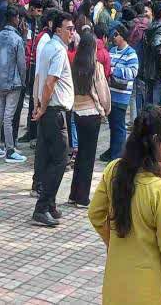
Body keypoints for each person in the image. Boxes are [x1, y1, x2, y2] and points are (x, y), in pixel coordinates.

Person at [87, 106, 161, 304]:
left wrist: (114, 241)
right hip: (149, 290)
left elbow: (95, 214)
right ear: (154, 140)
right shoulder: (160, 189)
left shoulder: (113, 170)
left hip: (115, 285)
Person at [31, 10, 74, 227]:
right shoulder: (57, 50)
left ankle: (50, 204)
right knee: (60, 159)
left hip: (49, 109)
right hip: (54, 111)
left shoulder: (48, 47)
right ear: (58, 29)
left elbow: (39, 77)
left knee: (49, 157)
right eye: (69, 29)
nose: (72, 33)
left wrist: (39, 105)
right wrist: (43, 106)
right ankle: (42, 206)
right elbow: (49, 82)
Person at [68, 25, 110, 207]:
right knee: (88, 156)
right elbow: (103, 93)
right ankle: (83, 198)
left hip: (77, 112)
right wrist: (106, 108)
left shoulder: (74, 65)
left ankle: (73, 194)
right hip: (92, 114)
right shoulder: (96, 67)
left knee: (80, 154)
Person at [0, 5, 28, 163]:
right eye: (18, 17)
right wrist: (24, 81)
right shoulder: (17, 39)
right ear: (14, 19)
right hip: (13, 82)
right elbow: (22, 64)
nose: (19, 20)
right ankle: (10, 150)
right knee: (8, 116)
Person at [102, 23, 138, 161]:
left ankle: (118, 155)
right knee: (113, 125)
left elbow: (133, 72)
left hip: (121, 95)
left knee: (119, 126)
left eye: (116, 35)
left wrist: (114, 71)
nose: (114, 37)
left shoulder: (131, 53)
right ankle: (113, 149)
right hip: (110, 93)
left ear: (123, 36)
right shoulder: (112, 50)